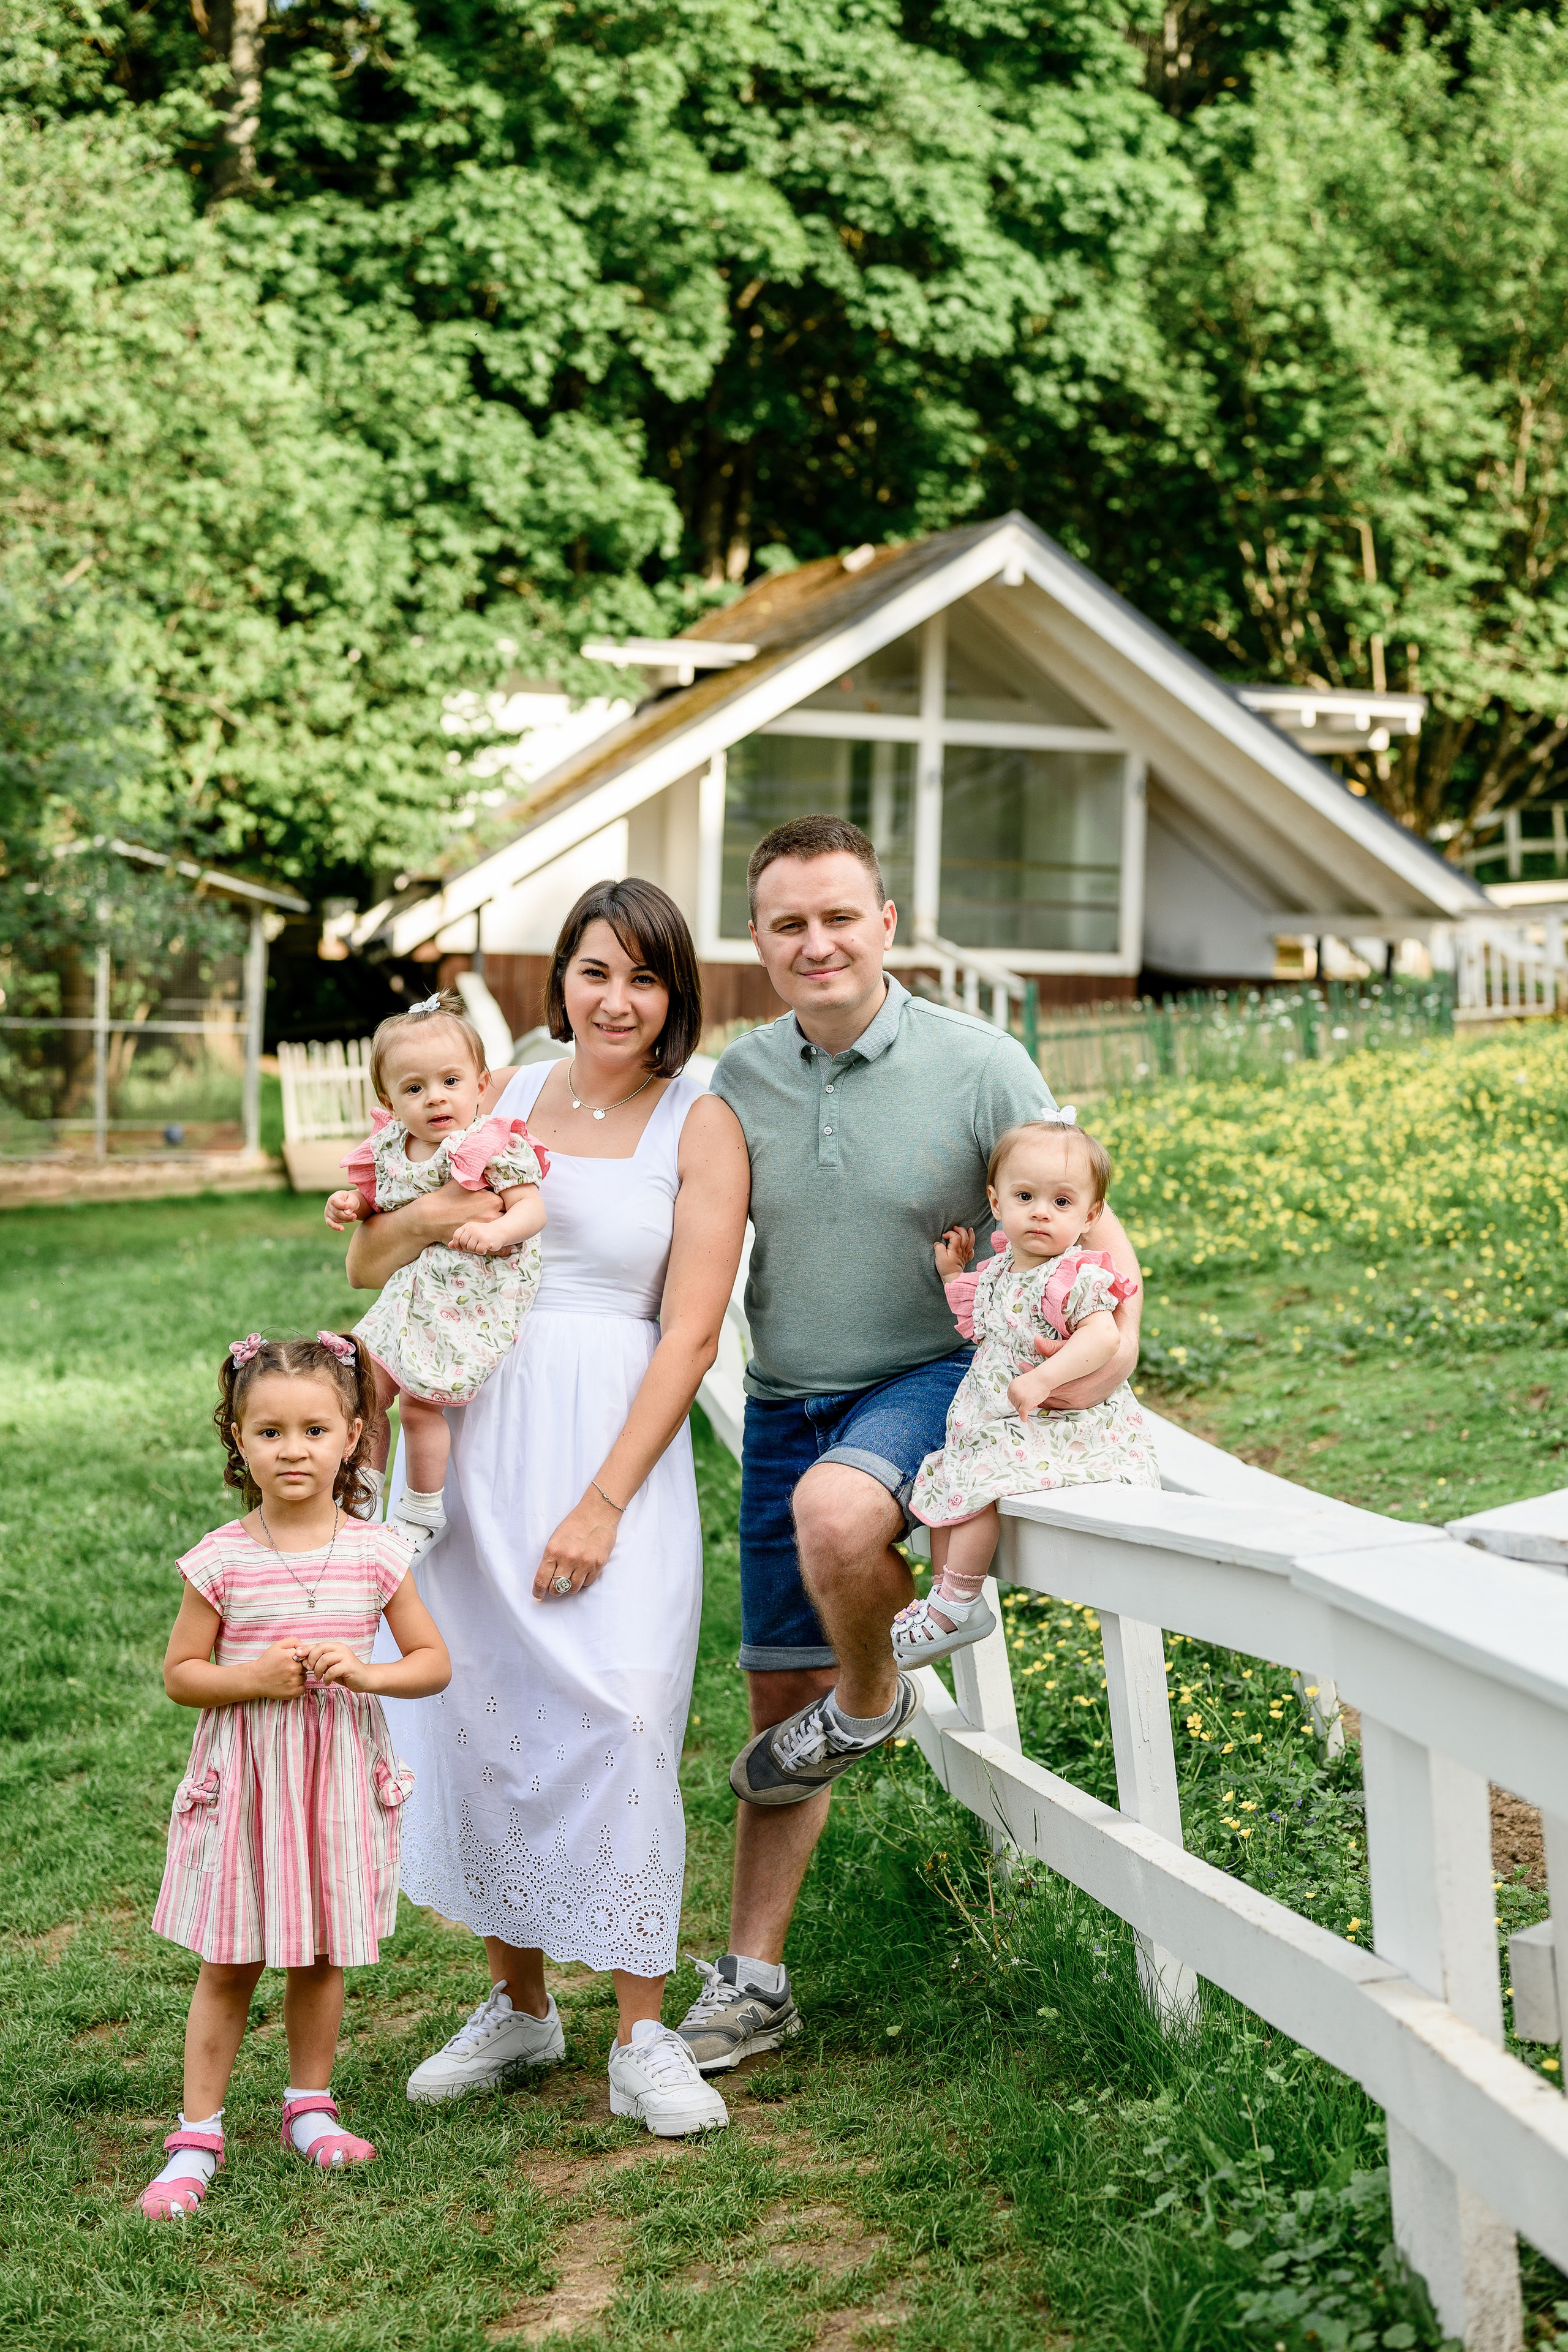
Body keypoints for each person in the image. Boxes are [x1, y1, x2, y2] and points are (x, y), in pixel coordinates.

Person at [672, 815, 1143, 2078]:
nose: (816, 942)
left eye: (840, 916)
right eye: (788, 923)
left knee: (839, 1520)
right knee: (779, 1705)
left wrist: (1096, 1367)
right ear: (758, 941)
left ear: (884, 924)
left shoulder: (979, 1063)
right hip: (785, 1397)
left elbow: (1097, 1241)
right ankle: (754, 1984)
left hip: (929, 1376)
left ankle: (875, 1696)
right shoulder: (741, 1079)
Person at [342, 880, 750, 2138]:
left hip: (612, 1438)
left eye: (644, 977)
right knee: (480, 1708)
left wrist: (603, 1503)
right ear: (560, 979)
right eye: (593, 971)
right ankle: (519, 2007)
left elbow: (689, 1335)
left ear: (675, 992)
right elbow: (372, 1256)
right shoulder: (497, 1093)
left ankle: (641, 2034)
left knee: (625, 1714)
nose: (616, 1000)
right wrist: (423, 1211)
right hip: (474, 1425)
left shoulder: (700, 1122)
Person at [141, 1332, 451, 2220]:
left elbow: (432, 1662)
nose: (292, 1450)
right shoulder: (221, 1558)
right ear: (238, 1439)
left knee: (320, 1951)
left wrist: (367, 1673)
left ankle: (309, 2107)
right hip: (248, 1784)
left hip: (336, 1781)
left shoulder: (376, 1553)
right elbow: (181, 1675)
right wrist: (250, 1679)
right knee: (231, 1956)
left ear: (352, 1437)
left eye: (314, 1430)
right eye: (269, 1431)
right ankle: (197, 2134)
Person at [895, 1120, 1159, 1664]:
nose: (1041, 1212)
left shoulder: (1076, 1274)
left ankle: (959, 1601)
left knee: (978, 1479)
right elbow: (987, 1324)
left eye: (1061, 1202)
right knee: (949, 1476)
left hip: (1062, 1425)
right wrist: (952, 1275)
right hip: (1000, 1420)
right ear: (996, 1202)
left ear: (1090, 1217)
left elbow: (1103, 1337)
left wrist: (1044, 1377)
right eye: (1025, 1197)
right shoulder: (997, 1273)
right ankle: (946, 1595)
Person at [324, 990, 548, 1554]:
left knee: (421, 1404)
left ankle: (423, 1510)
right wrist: (353, 1204)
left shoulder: (490, 1144)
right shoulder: (392, 1148)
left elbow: (531, 1209)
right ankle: (361, 1498)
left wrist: (499, 1231)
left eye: (451, 1081)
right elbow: (381, 1205)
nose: (436, 1098)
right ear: (389, 1099)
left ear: (481, 1083)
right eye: (414, 1088)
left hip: (466, 1299)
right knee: (363, 1390)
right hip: (409, 1297)